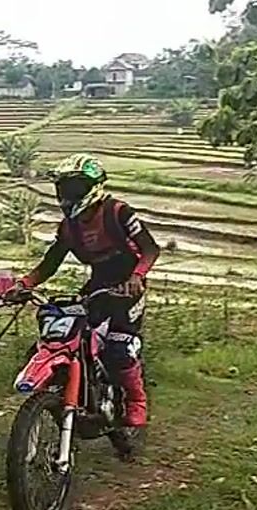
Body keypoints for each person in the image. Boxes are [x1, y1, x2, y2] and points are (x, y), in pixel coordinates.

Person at [9, 154, 160, 454]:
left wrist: (137, 277)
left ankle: (136, 401)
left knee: (118, 348)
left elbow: (150, 249)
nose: (67, 196)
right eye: (63, 188)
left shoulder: (117, 212)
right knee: (66, 337)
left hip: (128, 286)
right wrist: (24, 284)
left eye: (74, 188)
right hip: (97, 285)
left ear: (93, 187)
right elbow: (50, 263)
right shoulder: (69, 227)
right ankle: (73, 394)